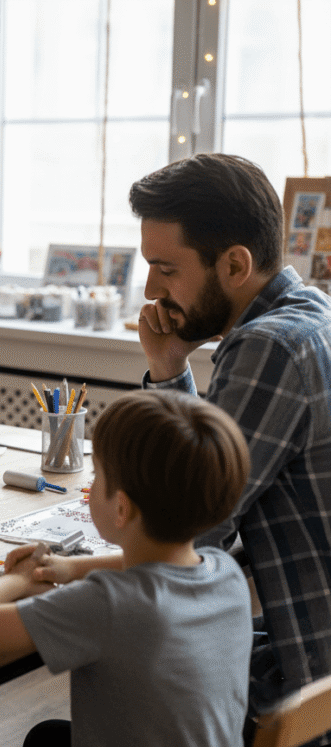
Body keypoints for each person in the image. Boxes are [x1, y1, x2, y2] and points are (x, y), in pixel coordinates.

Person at [130, 153, 331, 737]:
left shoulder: (272, 347)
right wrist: (169, 370)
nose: (150, 289)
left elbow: (188, 530)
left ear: (236, 264)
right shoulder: (312, 316)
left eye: (165, 268)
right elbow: (201, 481)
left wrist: (64, 570)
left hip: (309, 686)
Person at [0, 389, 254, 747]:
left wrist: (17, 579)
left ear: (122, 508)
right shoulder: (225, 571)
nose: (88, 487)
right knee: (46, 738)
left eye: (96, 477)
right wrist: (71, 567)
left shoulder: (108, 605)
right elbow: (150, 569)